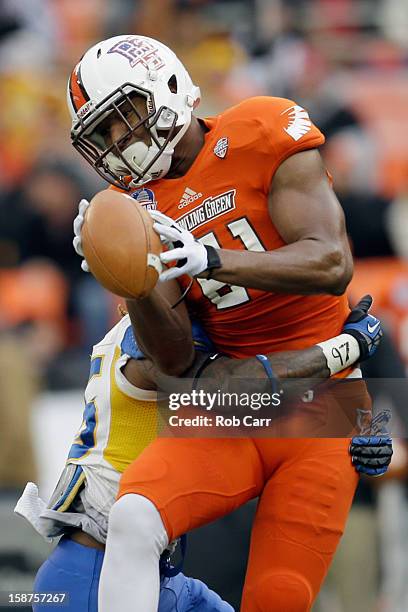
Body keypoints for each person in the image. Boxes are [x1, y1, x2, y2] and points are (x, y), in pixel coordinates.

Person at [67, 35, 385, 611]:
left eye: (124, 117)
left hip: (324, 402)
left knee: (278, 595)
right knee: (135, 517)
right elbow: (174, 363)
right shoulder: (135, 204)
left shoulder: (262, 128)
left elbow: (333, 263)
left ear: (166, 87)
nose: (118, 142)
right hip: (232, 400)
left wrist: (215, 259)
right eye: (103, 134)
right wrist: (132, 280)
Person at [15, 288, 389, 612]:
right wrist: (346, 347)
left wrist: (353, 432)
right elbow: (244, 388)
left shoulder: (129, 335)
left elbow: (269, 413)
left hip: (138, 567)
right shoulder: (150, 346)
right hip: (95, 568)